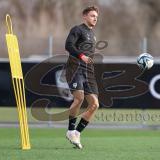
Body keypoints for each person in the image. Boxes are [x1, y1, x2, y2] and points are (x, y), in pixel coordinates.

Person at [64, 6, 99, 149]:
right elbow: (68, 45)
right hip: (75, 68)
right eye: (92, 15)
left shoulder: (93, 34)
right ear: (84, 16)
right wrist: (81, 56)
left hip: (88, 72)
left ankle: (77, 133)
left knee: (94, 105)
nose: (95, 18)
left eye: (96, 16)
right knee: (79, 98)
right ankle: (70, 130)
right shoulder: (77, 30)